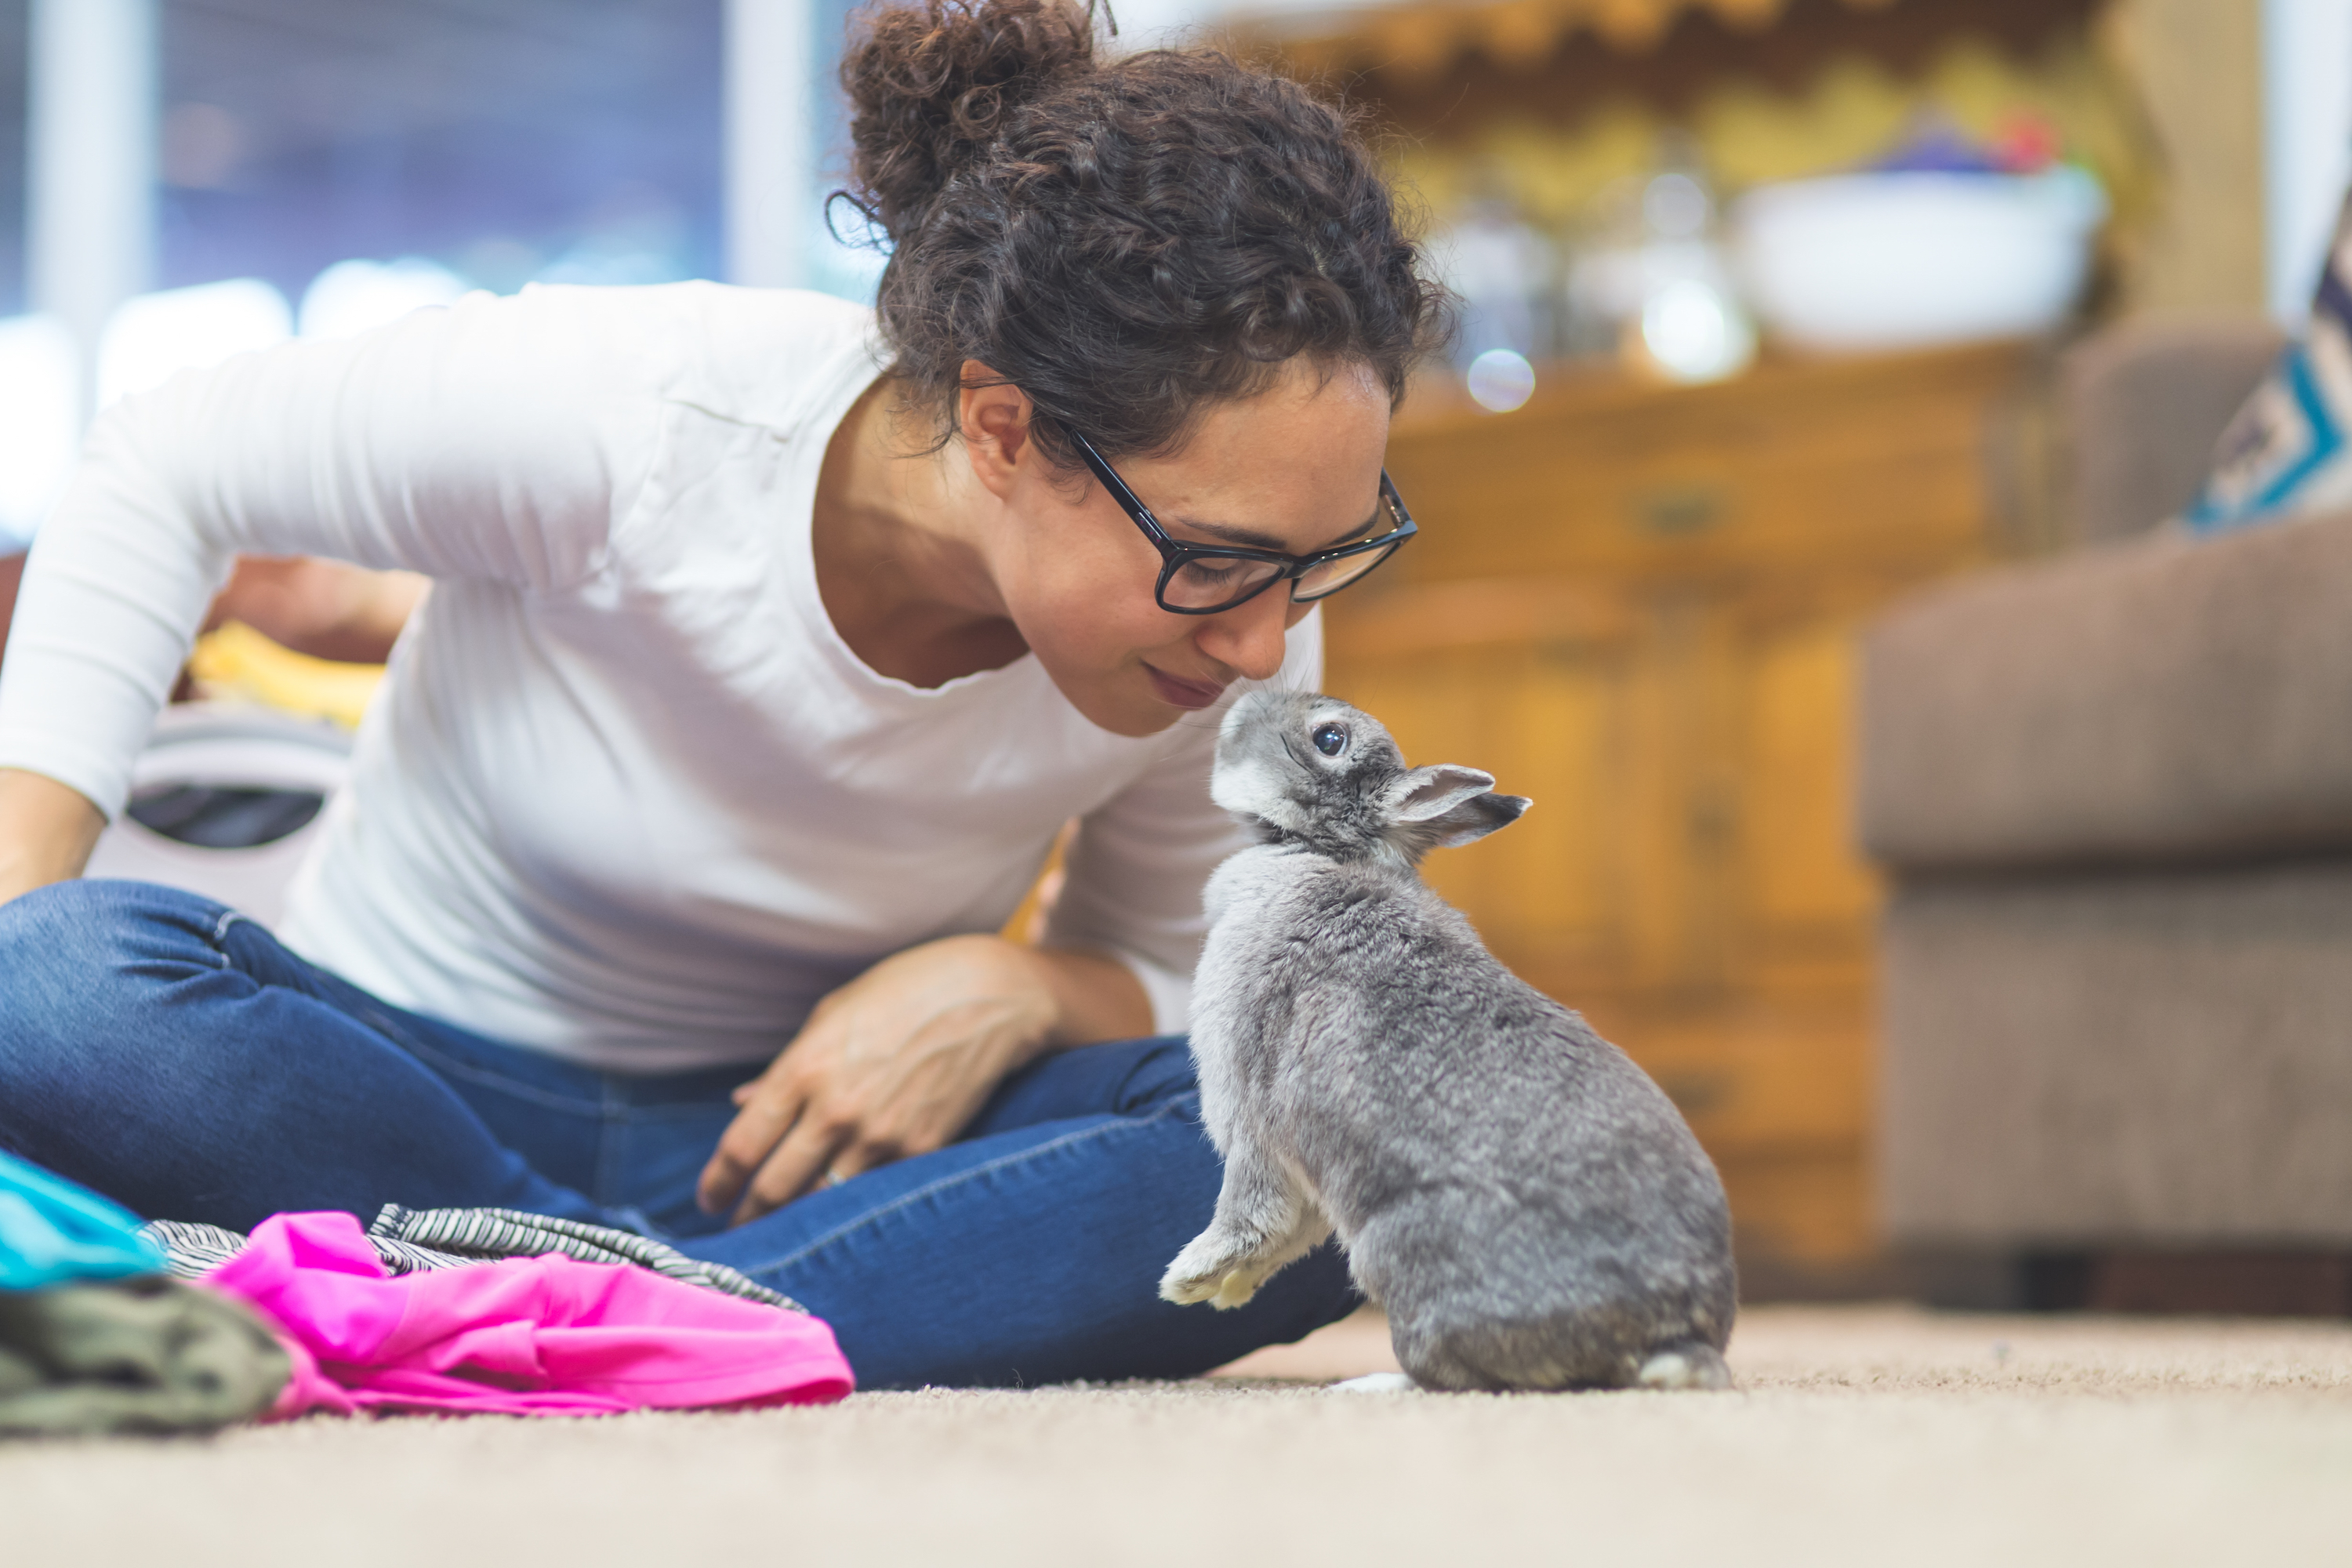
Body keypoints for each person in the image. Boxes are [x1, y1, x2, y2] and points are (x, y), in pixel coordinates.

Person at [0, 0, 1446, 1388]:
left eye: (1326, 562)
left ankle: (535, 1314)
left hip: (819, 1148)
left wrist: (1012, 983)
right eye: (1221, 561)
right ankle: (707, 1321)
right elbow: (160, 465)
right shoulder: (636, 417)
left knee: (1346, 1117)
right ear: (1007, 431)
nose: (1265, 644)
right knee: (55, 981)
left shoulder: (1236, 615)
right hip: (391, 1095)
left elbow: (1168, 970)